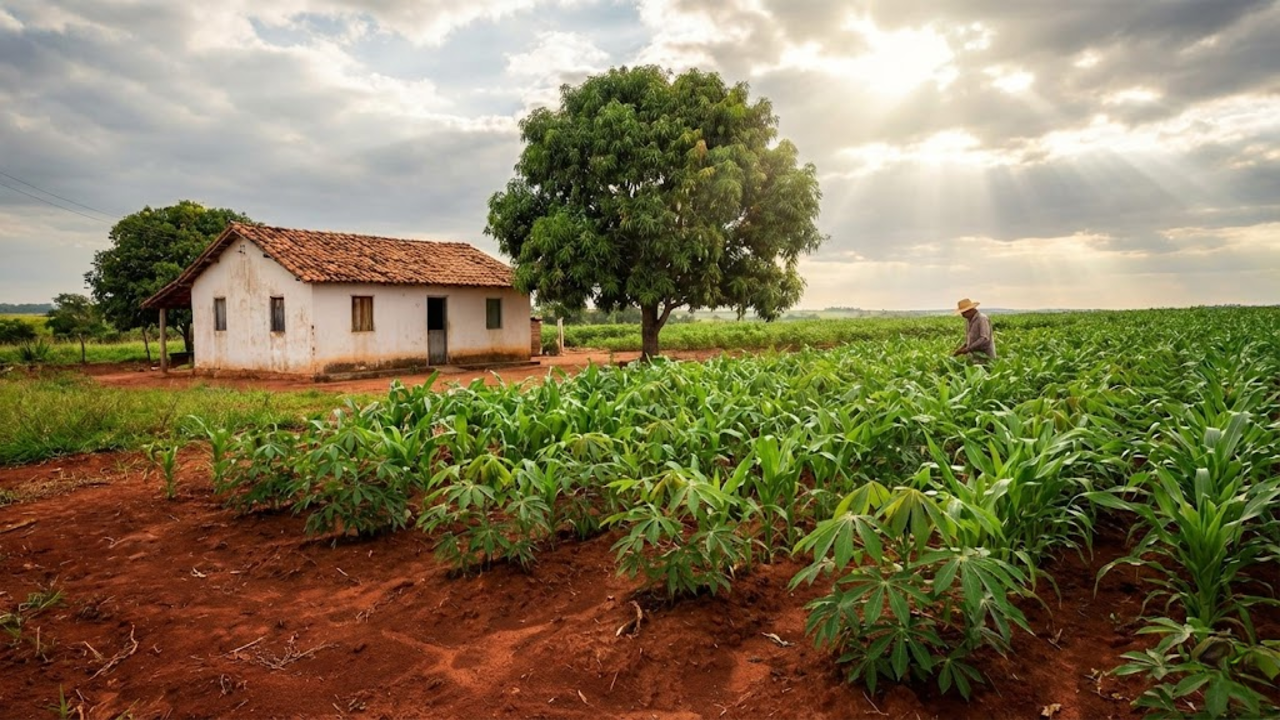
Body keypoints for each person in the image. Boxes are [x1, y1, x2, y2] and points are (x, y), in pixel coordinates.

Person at [952, 298, 996, 362]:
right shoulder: (968, 321)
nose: (962, 315)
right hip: (975, 356)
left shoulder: (982, 319)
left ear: (970, 310)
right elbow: (969, 340)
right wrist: (961, 349)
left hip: (985, 356)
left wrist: (968, 349)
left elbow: (984, 338)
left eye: (963, 313)